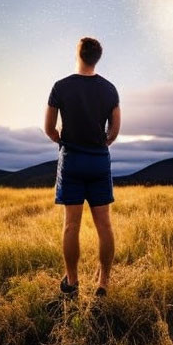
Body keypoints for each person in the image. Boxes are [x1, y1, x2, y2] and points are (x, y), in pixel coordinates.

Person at [44, 37, 121, 298]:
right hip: (99, 161)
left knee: (71, 226)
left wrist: (62, 140)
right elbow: (115, 131)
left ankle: (73, 282)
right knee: (105, 226)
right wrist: (103, 142)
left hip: (72, 161)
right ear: (98, 57)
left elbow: (49, 129)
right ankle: (104, 283)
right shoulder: (110, 89)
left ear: (78, 54)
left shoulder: (61, 87)